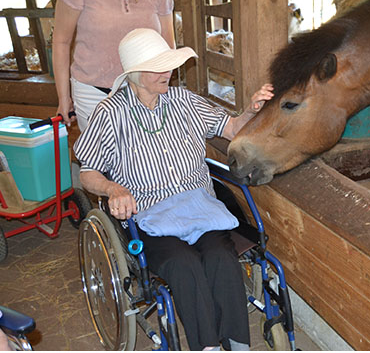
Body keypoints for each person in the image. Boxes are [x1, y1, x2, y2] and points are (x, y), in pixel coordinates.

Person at [73, 28, 274, 351]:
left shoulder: (184, 101)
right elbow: (88, 173)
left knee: (221, 256)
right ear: (134, 75)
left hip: (199, 207)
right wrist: (113, 189)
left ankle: (238, 344)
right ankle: (206, 346)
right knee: (183, 265)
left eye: (168, 64)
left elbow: (232, 127)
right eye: (157, 67)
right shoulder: (110, 114)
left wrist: (252, 108)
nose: (167, 72)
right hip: (150, 215)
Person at [52, 0, 175, 131]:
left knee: (145, 151)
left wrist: (159, 84)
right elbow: (61, 42)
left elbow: (168, 43)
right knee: (99, 151)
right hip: (94, 93)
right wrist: (63, 98)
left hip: (145, 90)